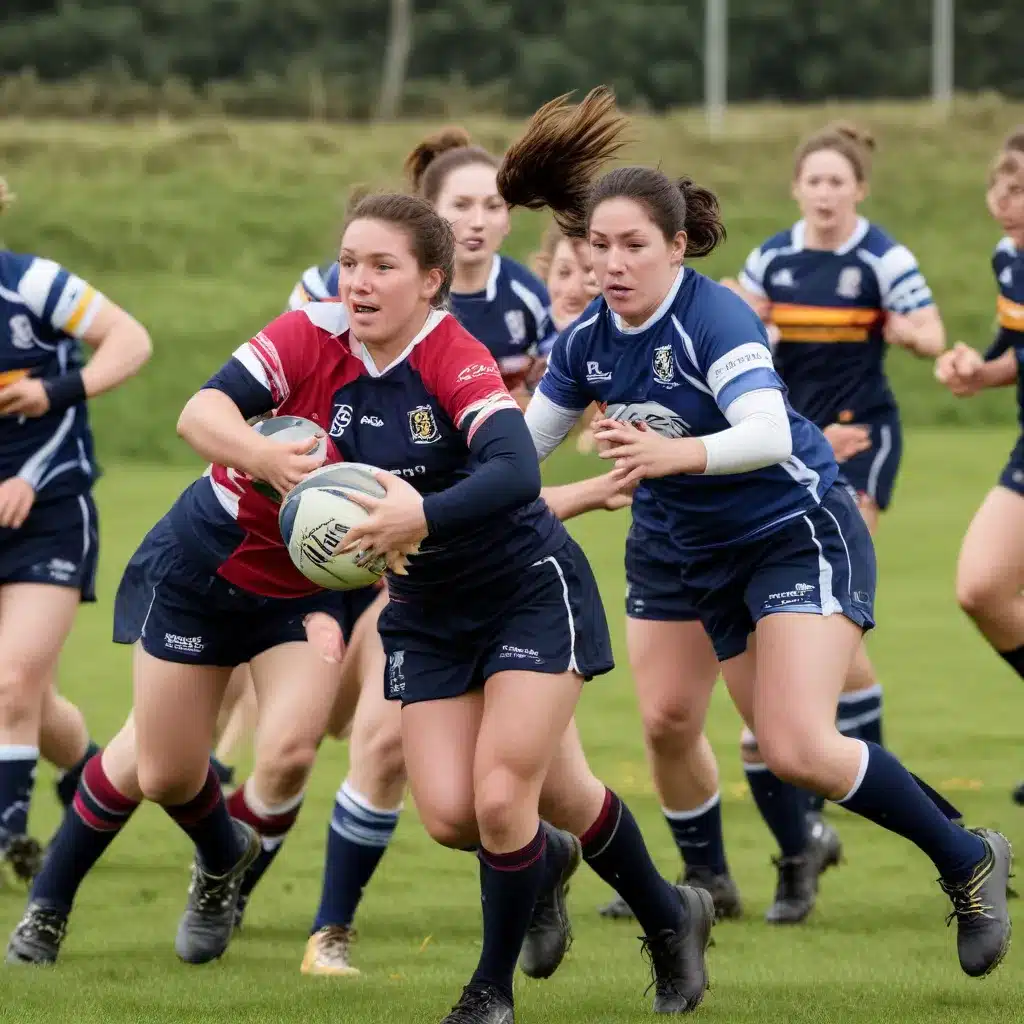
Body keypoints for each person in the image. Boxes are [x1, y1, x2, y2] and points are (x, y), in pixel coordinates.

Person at [504, 85, 1012, 984]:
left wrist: (671, 456)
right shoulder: (587, 341)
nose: (612, 263)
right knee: (677, 718)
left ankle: (966, 858)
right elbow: (521, 458)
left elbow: (769, 433)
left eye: (633, 246)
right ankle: (705, 882)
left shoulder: (715, 317)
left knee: (798, 747)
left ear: (675, 245)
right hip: (689, 550)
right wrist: (421, 497)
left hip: (793, 530)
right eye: (599, 246)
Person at [263, 191, 710, 1020]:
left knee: (505, 800)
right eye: (349, 264)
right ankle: (669, 910)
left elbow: (515, 472)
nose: (359, 281)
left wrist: (420, 514)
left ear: (431, 281)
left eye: (381, 266)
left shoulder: (453, 357)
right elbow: (216, 412)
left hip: (525, 591)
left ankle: (489, 992)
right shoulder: (322, 354)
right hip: (429, 611)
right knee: (461, 816)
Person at [721, 120, 946, 854]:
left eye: (837, 182)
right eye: (813, 181)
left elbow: (932, 331)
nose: (824, 193)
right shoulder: (774, 257)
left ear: (859, 189)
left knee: (836, 610)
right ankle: (863, 769)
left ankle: (864, 771)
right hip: (788, 442)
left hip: (860, 441)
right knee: (829, 635)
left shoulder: (882, 256)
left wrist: (912, 332)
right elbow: (740, 327)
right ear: (796, 189)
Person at [0, 176, 152, 881]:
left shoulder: (33, 284)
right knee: (31, 695)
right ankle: (92, 774)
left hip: (51, 511)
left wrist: (54, 390)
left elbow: (131, 340)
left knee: (10, 684)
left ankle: (9, 837)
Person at [935, 141, 1024, 805]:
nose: (1004, 200)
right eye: (1001, 185)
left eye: (1019, 188)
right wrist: (979, 368)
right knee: (980, 587)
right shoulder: (1009, 255)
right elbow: (1016, 346)